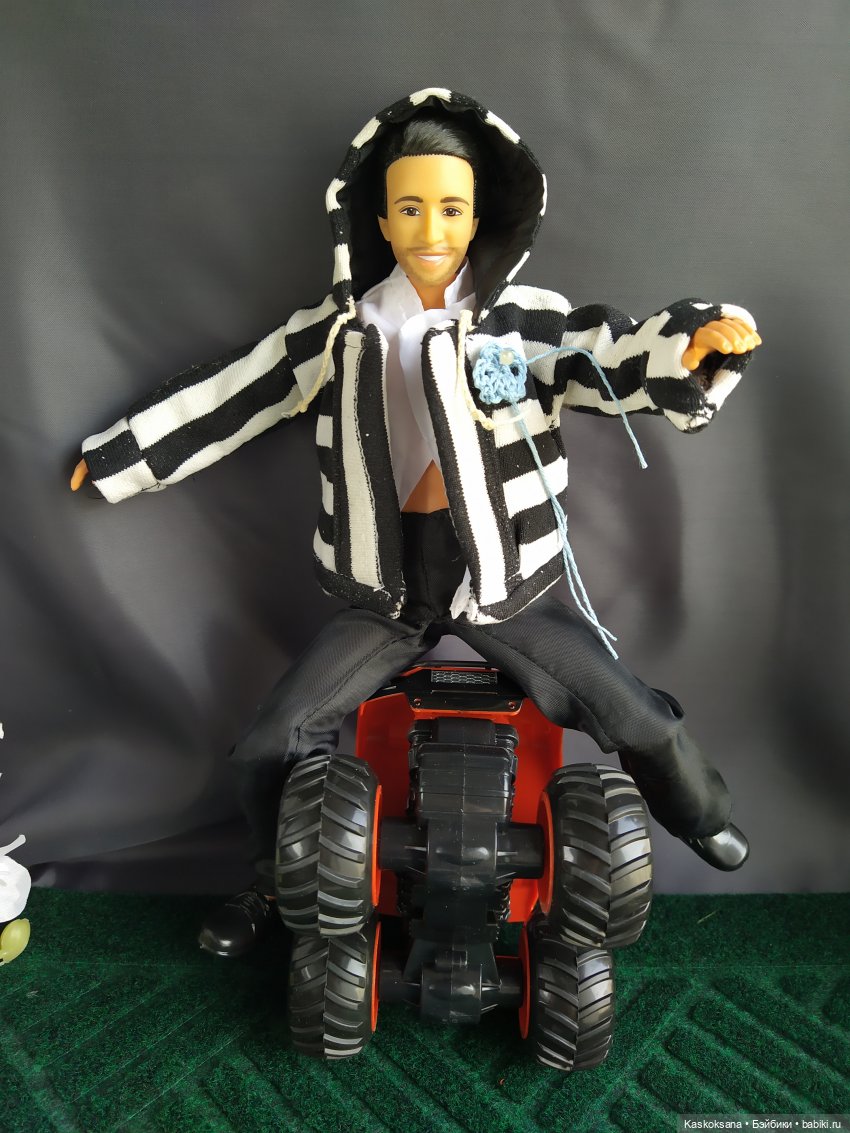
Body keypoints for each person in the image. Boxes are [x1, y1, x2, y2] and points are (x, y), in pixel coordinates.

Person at [72, 90, 760, 957]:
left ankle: (701, 812)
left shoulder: (525, 320)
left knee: (632, 712)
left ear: (482, 216)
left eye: (451, 208)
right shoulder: (342, 331)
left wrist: (688, 347)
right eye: (409, 208)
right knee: (270, 738)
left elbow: (610, 355)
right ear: (377, 220)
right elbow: (233, 395)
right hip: (387, 582)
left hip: (504, 579)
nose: (431, 229)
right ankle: (270, 881)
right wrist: (121, 455)